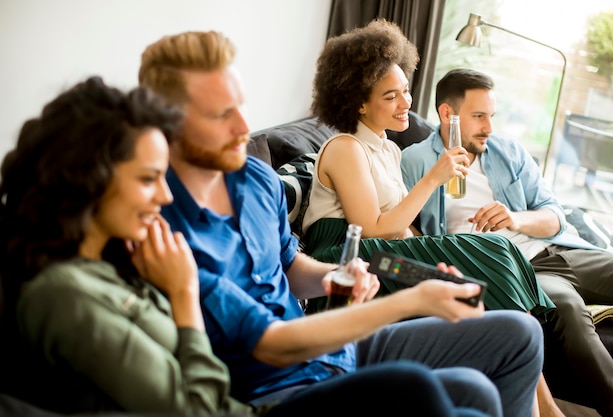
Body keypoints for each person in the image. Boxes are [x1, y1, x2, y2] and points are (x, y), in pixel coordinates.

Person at [0, 77, 484, 417]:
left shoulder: (128, 256)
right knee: (417, 387)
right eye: (149, 179)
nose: (166, 195)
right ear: (89, 181)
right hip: (256, 401)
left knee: (470, 388)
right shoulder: (66, 295)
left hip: (292, 367)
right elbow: (201, 406)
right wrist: (186, 300)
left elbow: (283, 276)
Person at [138, 28, 545, 417]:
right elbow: (268, 343)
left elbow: (290, 265)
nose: (244, 129)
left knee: (513, 343)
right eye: (221, 114)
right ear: (170, 123)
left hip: (327, 350)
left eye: (241, 107)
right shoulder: (160, 226)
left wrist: (337, 276)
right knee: (418, 385)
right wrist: (413, 298)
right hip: (274, 382)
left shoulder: (257, 179)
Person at [300, 20, 562, 417]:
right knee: (493, 249)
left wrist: (433, 258)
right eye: (391, 95)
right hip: (348, 262)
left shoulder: (386, 149)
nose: (406, 101)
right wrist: (433, 178)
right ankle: (544, 409)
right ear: (359, 102)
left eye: (405, 89)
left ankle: (533, 402)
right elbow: (371, 229)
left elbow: (401, 229)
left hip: (386, 257)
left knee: (478, 276)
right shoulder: (344, 148)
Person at [401, 67, 613, 417]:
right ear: (448, 113)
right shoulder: (415, 162)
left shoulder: (507, 150)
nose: (489, 127)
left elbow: (555, 215)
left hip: (557, 249)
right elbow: (406, 230)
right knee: (567, 309)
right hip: (515, 271)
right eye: (478, 116)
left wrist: (515, 217)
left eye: (491, 116)